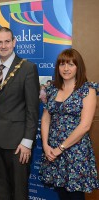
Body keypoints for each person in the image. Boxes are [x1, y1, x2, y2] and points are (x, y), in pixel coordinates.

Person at [0, 27, 40, 200]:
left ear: (14, 42)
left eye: (7, 41)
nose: (3, 45)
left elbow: (32, 109)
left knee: (19, 193)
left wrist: (27, 142)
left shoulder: (28, 68)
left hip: (17, 144)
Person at [39, 48, 99, 200]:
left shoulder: (87, 90)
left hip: (75, 152)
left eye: (71, 64)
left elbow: (85, 125)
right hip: (53, 151)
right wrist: (46, 145)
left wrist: (61, 148)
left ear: (78, 67)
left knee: (75, 196)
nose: (66, 69)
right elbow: (46, 118)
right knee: (62, 194)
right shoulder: (51, 89)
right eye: (62, 64)